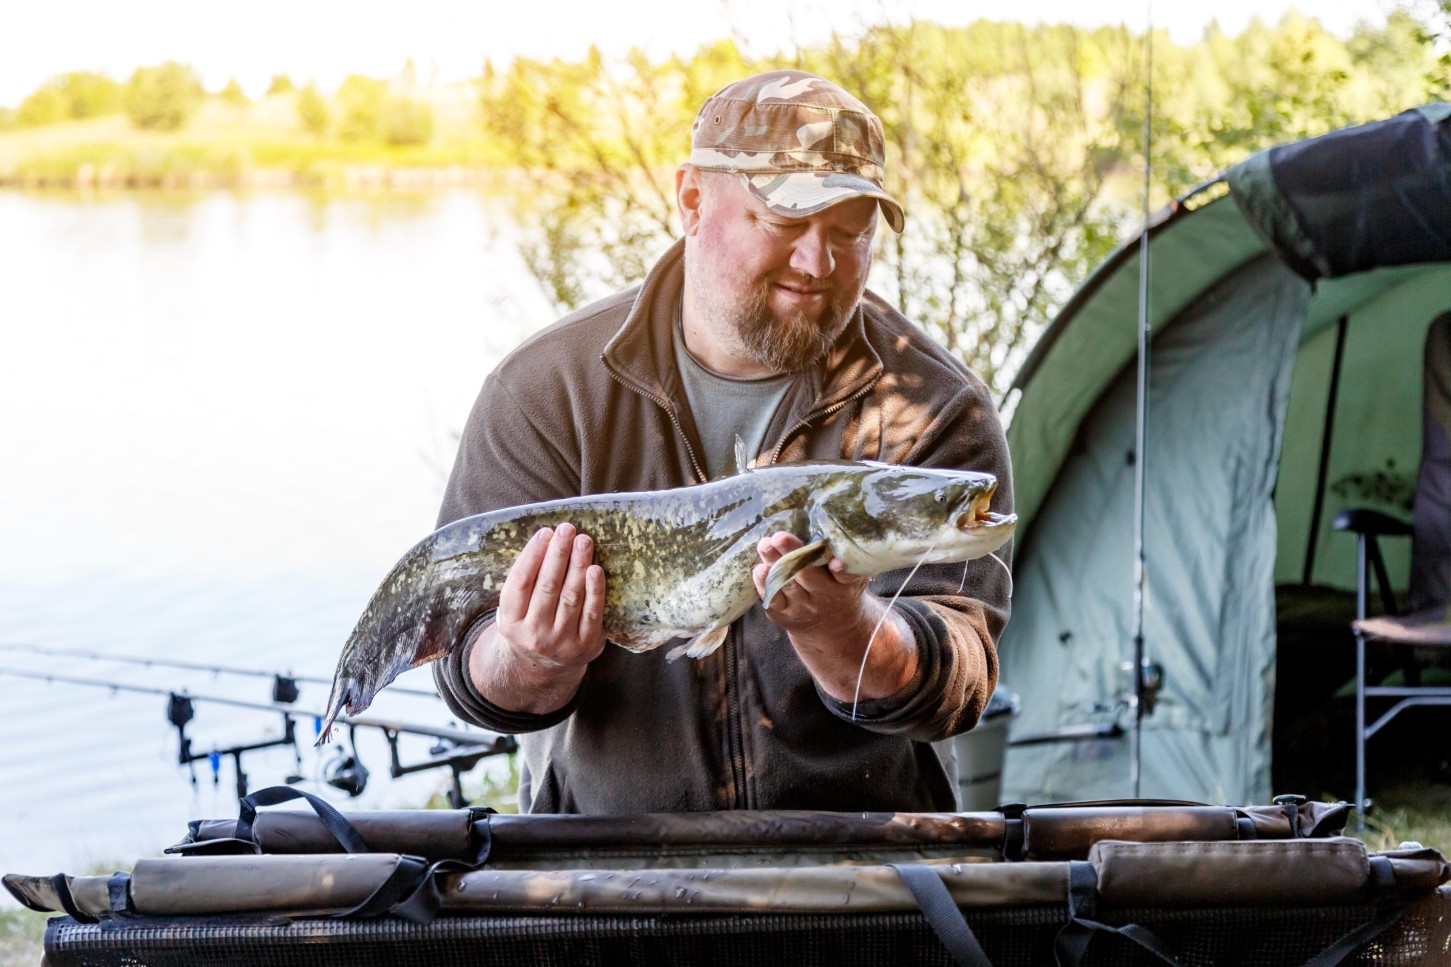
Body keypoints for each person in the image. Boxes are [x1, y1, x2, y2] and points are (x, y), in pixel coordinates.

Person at [433, 69, 1013, 814]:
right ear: (691, 200)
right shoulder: (545, 390)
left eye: (849, 230)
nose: (818, 264)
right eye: (783, 223)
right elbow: (467, 670)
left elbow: (960, 679)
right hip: (608, 871)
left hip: (863, 874)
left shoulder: (931, 402)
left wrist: (849, 635)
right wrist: (528, 658)